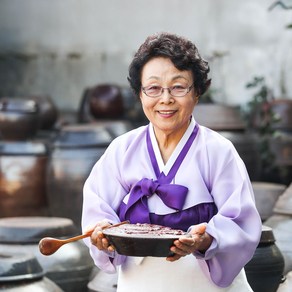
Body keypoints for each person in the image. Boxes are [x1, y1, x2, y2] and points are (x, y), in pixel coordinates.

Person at [81, 32, 262, 292]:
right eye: (153, 88)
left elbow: (241, 223)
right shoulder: (121, 150)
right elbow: (97, 210)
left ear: (197, 92)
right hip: (139, 283)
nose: (165, 99)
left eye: (178, 87)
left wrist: (206, 239)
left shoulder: (219, 151)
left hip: (205, 285)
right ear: (140, 94)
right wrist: (100, 232)